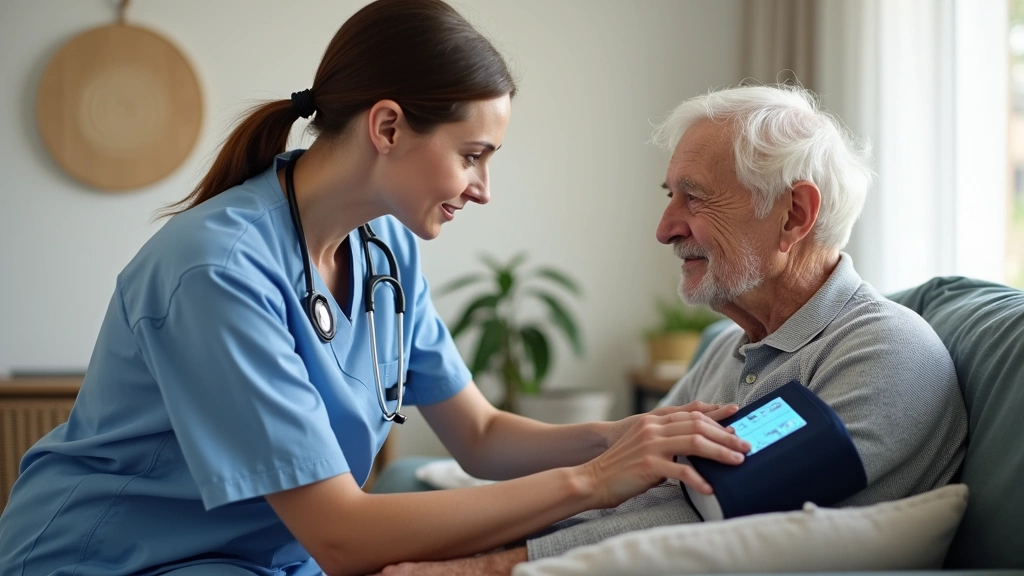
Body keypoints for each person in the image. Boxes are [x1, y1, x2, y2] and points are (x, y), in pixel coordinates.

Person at [0, 1, 754, 575]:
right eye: (474, 155)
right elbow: (341, 533)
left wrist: (635, 436)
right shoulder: (217, 272)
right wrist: (591, 481)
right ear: (387, 126)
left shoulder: (385, 247)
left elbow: (481, 437)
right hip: (105, 561)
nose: (483, 188)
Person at [377, 84, 969, 576]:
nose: (664, 228)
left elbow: (715, 531)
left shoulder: (885, 353)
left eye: (695, 198)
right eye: (670, 195)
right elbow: (635, 489)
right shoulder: (726, 352)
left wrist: (483, 568)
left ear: (794, 215)